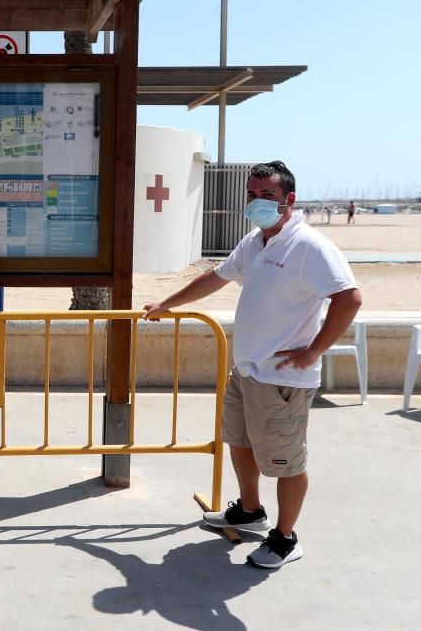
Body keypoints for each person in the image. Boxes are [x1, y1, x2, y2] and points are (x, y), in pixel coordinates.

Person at [142, 160, 361, 569]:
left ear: (288, 200)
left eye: (268, 196)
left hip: (282, 380)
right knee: (239, 443)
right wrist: (166, 304)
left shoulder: (310, 246)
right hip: (246, 370)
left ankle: (285, 538)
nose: (257, 202)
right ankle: (250, 511)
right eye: (252, 194)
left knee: (285, 462)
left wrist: (313, 351)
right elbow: (217, 277)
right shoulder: (255, 242)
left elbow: (349, 299)